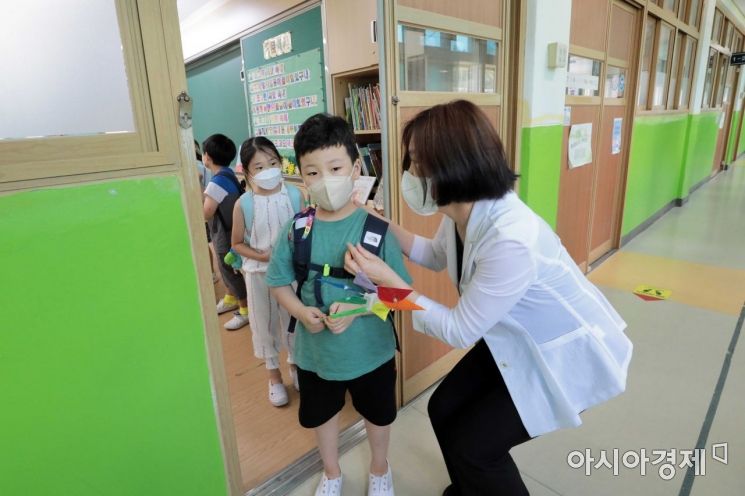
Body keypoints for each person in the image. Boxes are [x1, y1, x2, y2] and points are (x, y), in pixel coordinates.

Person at [344, 100, 633, 496]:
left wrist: (388, 286)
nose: (410, 175)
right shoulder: (463, 215)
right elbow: (431, 253)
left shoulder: (509, 238)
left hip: (562, 355)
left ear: (452, 164)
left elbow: (460, 329)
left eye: (416, 163)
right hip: (513, 339)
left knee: (477, 449)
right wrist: (379, 222)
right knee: (442, 408)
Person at [266, 114, 411, 496]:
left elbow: (402, 298)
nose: (324, 180)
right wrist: (300, 312)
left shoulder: (376, 229)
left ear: (356, 168)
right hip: (316, 355)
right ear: (302, 177)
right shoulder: (298, 229)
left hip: (372, 351)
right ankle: (331, 472)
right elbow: (279, 283)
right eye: (312, 172)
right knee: (322, 415)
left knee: (378, 415)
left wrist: (359, 309)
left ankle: (380, 469)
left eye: (335, 168)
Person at [231, 137, 304, 406]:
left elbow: (306, 229)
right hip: (259, 274)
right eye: (259, 167)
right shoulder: (244, 204)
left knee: (294, 321)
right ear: (247, 172)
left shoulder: (296, 194)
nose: (269, 170)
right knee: (264, 325)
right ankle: (273, 376)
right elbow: (236, 243)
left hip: (292, 273)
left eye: (273, 162)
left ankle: (296, 367)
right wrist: (262, 254)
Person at [202, 133, 249, 330]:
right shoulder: (229, 174)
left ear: (207, 157)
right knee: (228, 270)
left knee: (230, 272)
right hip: (233, 230)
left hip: (224, 235)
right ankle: (230, 298)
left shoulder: (215, 183)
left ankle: (244, 311)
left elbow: (206, 213)